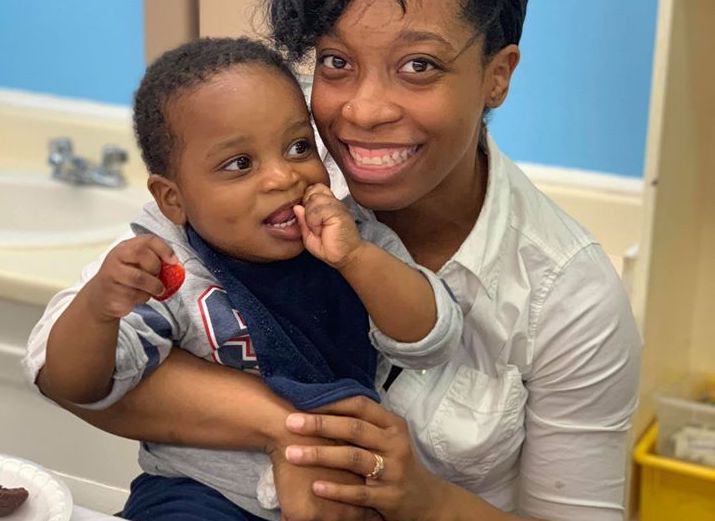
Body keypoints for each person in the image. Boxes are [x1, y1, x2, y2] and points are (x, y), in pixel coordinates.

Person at [24, 1, 643, 520]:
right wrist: (290, 430)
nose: (364, 112)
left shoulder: (566, 293)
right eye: (337, 62)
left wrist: (423, 499)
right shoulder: (249, 177)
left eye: (419, 65)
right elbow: (65, 370)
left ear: (497, 76)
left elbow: (429, 329)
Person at [34, 37, 462, 520]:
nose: (283, 177)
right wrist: (97, 309)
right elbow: (79, 384)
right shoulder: (166, 267)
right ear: (172, 199)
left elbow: (432, 337)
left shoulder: (352, 236)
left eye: (299, 146)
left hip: (348, 490)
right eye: (240, 164)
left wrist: (357, 259)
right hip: (200, 492)